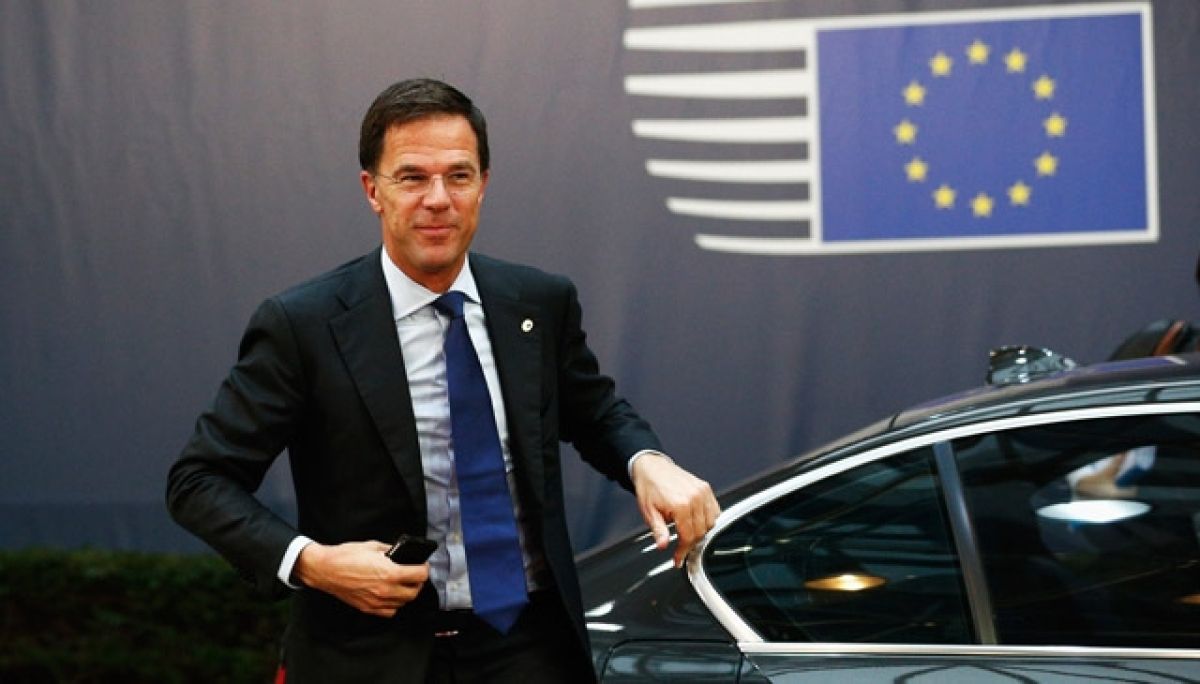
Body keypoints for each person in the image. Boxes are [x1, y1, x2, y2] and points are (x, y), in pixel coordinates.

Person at [166, 78, 720, 683]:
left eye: (459, 176)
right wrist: (314, 563)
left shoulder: (537, 302)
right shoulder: (304, 325)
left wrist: (648, 461)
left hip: (528, 648)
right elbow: (200, 480)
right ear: (372, 190)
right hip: (370, 657)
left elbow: (595, 413)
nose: (438, 199)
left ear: (484, 184)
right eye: (412, 177)